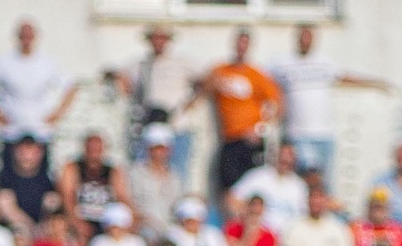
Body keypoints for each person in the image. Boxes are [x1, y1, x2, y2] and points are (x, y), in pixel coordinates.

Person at [272, 25, 386, 176]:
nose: (305, 41)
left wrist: (375, 83)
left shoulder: (324, 62)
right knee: (302, 178)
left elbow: (344, 77)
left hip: (324, 134)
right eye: (303, 37)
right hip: (297, 134)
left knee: (323, 181)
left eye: (309, 37)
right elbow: (264, 82)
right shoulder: (282, 63)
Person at [0, 18, 77, 149]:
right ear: (17, 37)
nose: (26, 40)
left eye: (29, 36)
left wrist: (57, 114)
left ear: (35, 37)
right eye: (23, 36)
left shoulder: (48, 63)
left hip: (41, 132)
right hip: (11, 132)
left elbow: (71, 87)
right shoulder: (3, 62)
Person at [113, 25, 200, 180]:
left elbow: (205, 81)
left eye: (162, 38)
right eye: (155, 38)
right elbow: (124, 80)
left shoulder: (182, 63)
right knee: (143, 173)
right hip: (150, 125)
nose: (158, 42)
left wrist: (191, 103)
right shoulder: (142, 65)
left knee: (176, 173)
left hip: (176, 125)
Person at [203, 29, 282, 197]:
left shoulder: (256, 74)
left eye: (245, 44)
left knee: (252, 187)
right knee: (227, 187)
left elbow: (277, 104)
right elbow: (204, 87)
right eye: (239, 43)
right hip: (230, 137)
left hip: (250, 139)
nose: (241, 47)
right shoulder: (221, 70)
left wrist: (261, 129)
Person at [229, 141, 308, 234]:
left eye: (289, 156)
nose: (285, 159)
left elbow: (304, 215)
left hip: (289, 237)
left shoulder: (299, 186)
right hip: (259, 234)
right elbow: (232, 198)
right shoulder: (258, 176)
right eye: (283, 155)